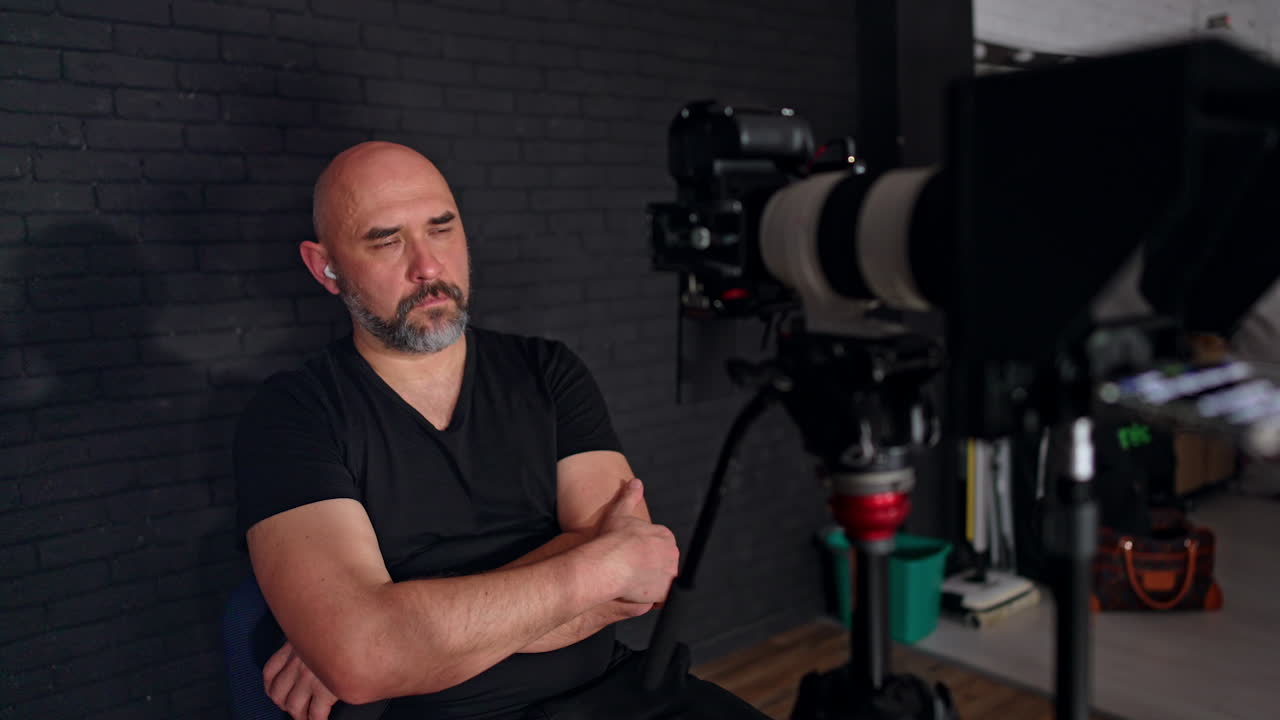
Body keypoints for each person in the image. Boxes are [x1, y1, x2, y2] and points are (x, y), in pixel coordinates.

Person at [234, 141, 771, 720]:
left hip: (612, 690)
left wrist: (399, 641)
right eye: (387, 240)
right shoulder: (294, 412)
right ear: (326, 268)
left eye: (442, 229)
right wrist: (596, 565)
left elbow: (635, 583)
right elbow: (363, 655)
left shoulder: (547, 372)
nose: (429, 267)